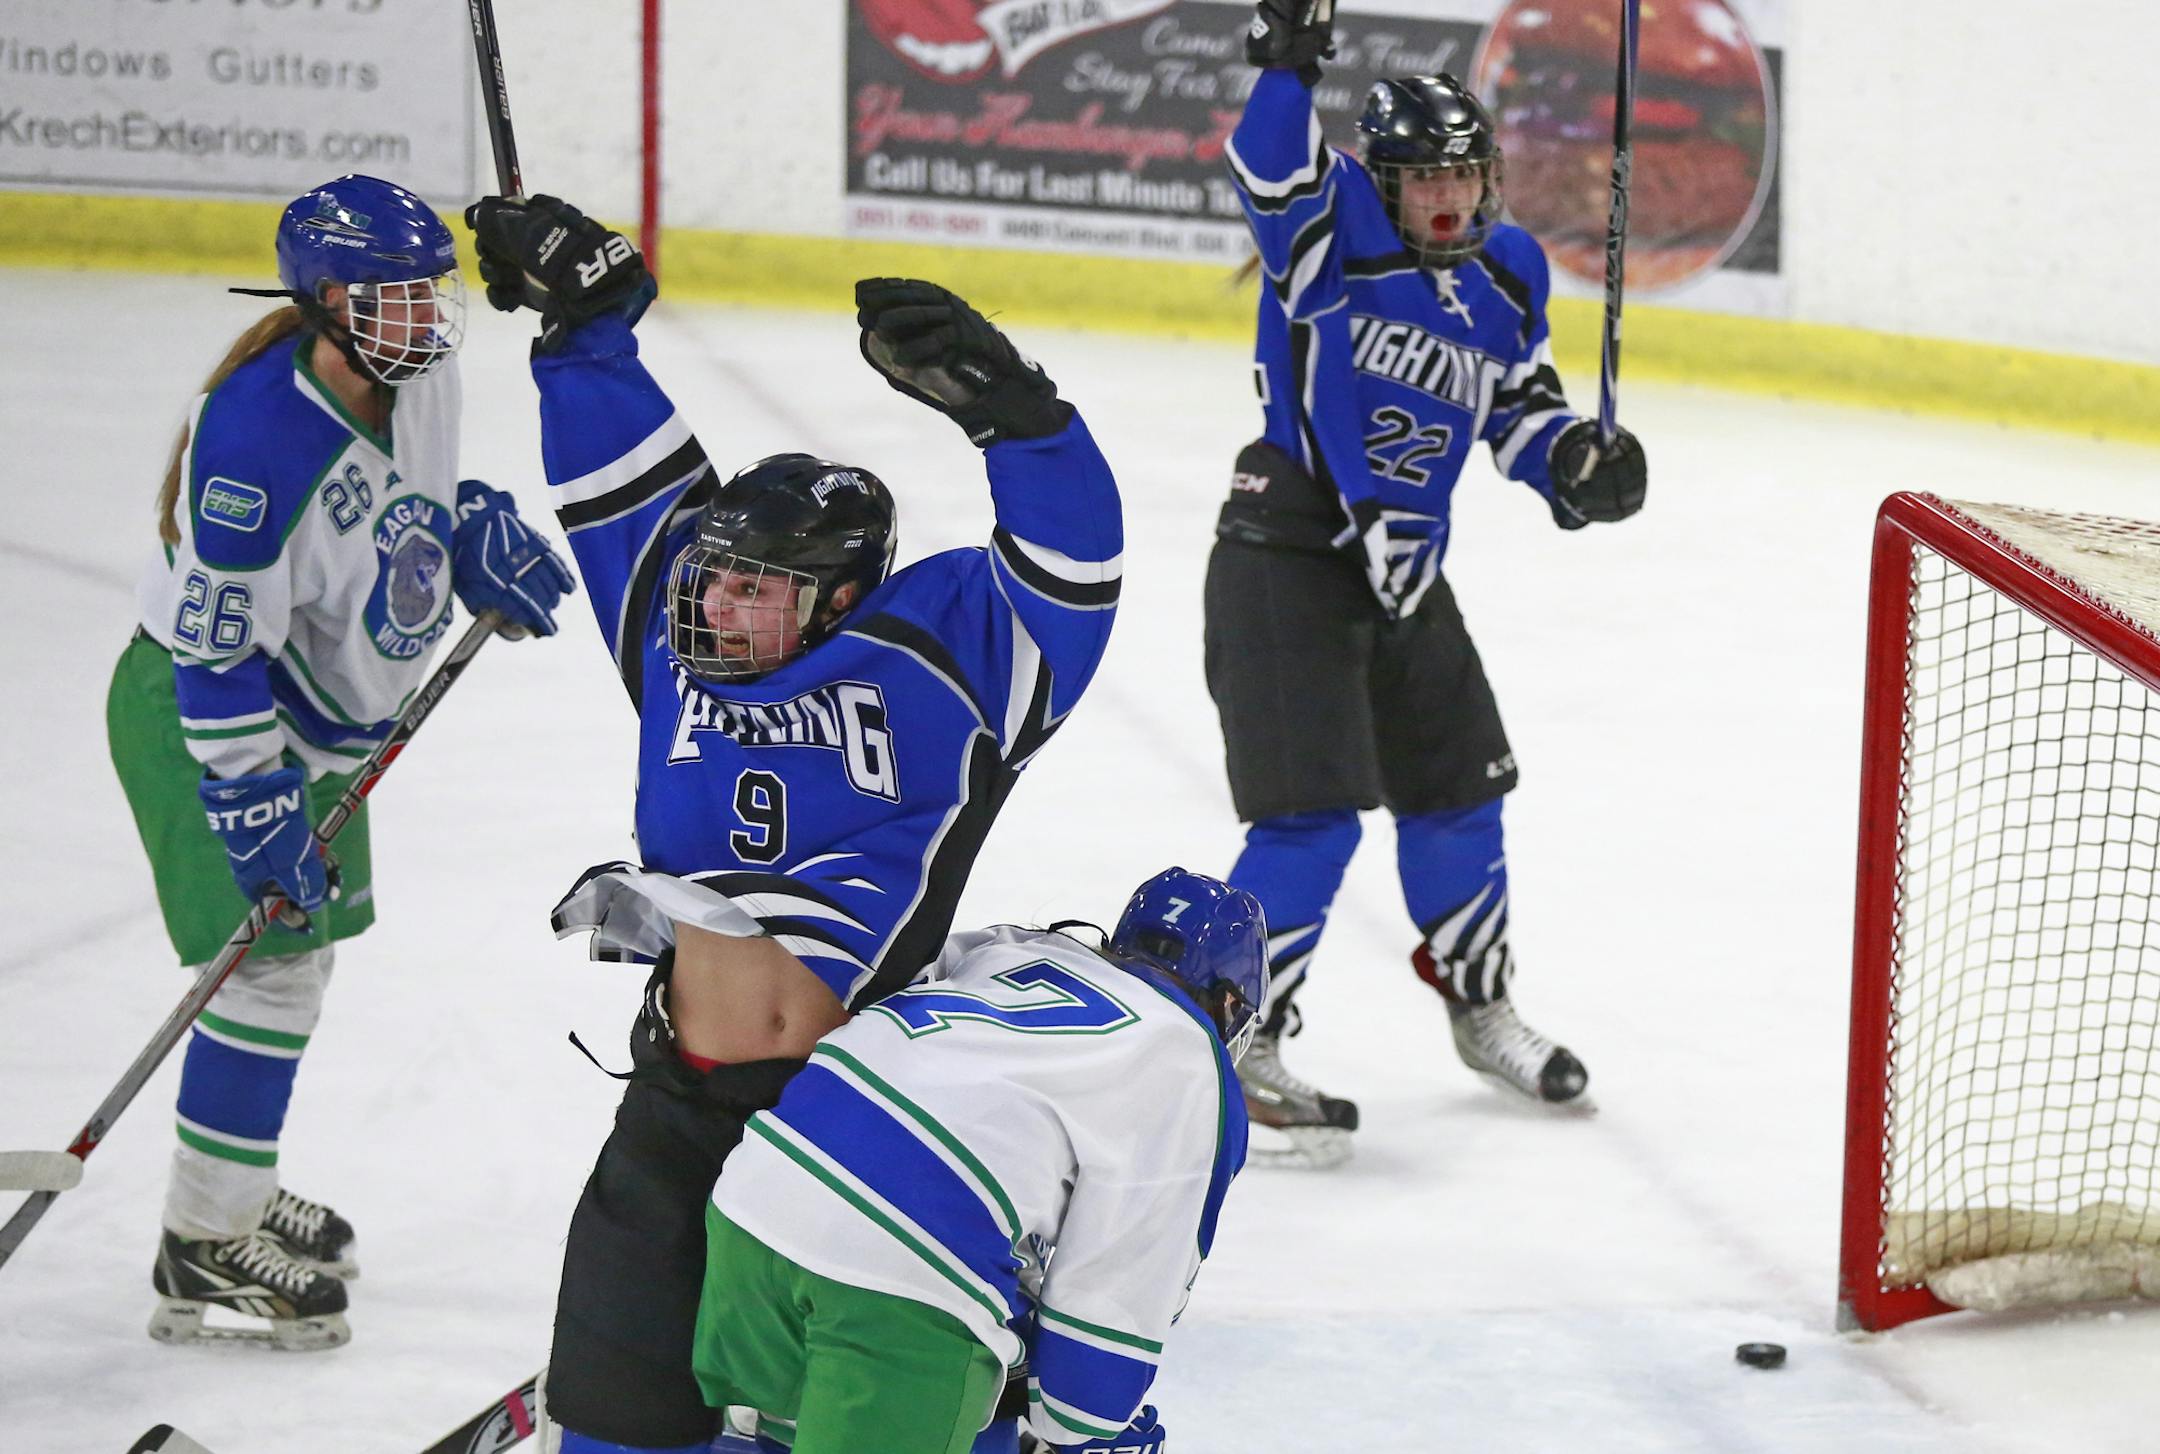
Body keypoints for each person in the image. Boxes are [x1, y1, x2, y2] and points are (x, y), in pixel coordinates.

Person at [462, 195, 1123, 1453]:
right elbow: (616, 466)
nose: (712, 602)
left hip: (860, 1113)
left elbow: (1073, 567)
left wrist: (1016, 414)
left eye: (753, 586)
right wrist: (585, 325)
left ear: (842, 595)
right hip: (678, 1096)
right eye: (710, 571)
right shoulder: (677, 639)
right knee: (613, 1410)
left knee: (879, 1408)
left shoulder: (942, 667)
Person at [108, 174, 575, 1350]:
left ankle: (235, 1190)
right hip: (210, 722)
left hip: (314, 719)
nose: (424, 315)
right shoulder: (258, 442)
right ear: (323, 300)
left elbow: (408, 502)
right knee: (266, 969)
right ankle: (204, 1245)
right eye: (391, 294)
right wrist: (249, 798)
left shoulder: (417, 373)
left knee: (296, 969)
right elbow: (215, 659)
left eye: (430, 290)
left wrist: (469, 530)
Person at [1212, 1, 1649, 1165]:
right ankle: (1235, 1041)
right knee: (1307, 824)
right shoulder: (1328, 227)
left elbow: (1514, 408)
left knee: (1462, 790)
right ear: (1381, 179)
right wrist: (1288, 62)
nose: (1447, 198)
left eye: (1465, 174)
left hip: (1410, 570)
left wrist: (1573, 462)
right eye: (1422, 180)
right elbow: (1266, 157)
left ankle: (1480, 1005)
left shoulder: (1508, 270)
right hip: (1288, 553)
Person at [690, 867, 1260, 1454]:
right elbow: (1116, 1292)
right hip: (901, 1271)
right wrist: (1087, 1428)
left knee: (785, 1433)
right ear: (1228, 1001)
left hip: (753, 1201)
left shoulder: (1010, 948)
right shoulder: (1188, 1057)